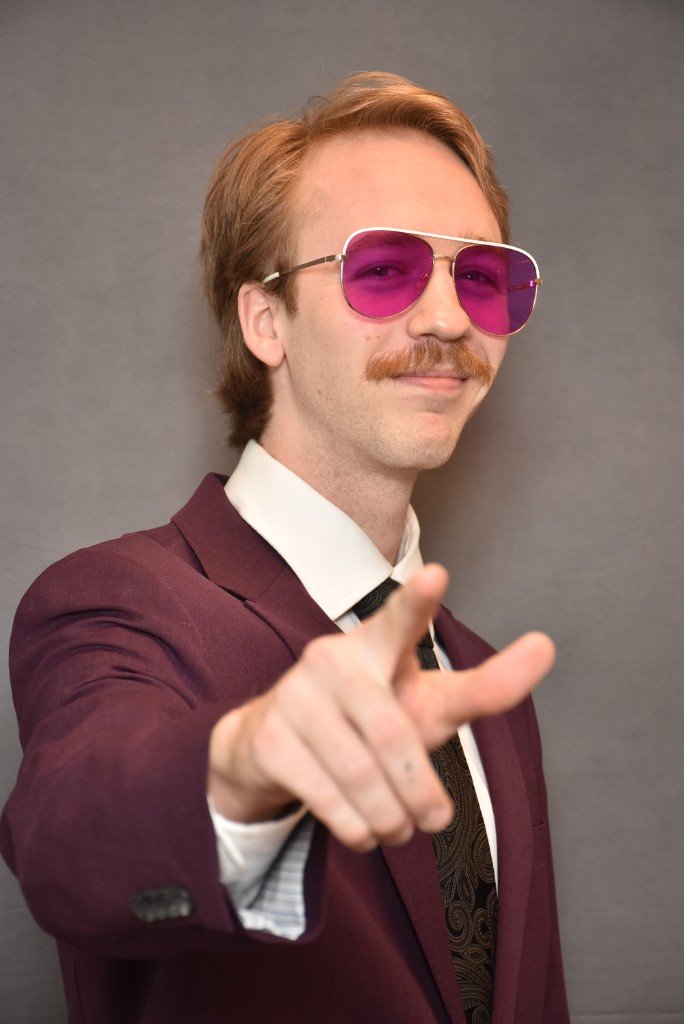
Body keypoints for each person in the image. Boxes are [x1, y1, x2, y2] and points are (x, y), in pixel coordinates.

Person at [1, 72, 569, 1023]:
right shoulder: (115, 601)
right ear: (266, 320)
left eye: (479, 276)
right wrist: (240, 766)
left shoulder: (483, 686)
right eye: (382, 268)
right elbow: (68, 837)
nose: (447, 319)